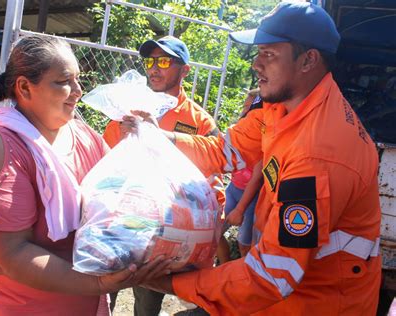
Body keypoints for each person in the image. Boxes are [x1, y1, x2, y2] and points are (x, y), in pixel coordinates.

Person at [125, 2, 381, 315]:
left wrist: (170, 283)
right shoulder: (282, 107)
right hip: (282, 294)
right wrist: (158, 136)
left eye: (269, 54)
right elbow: (224, 150)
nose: (256, 65)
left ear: (308, 60)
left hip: (316, 304)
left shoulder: (318, 154)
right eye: (257, 53)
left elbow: (273, 274)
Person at [0, 35, 172, 315]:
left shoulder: (82, 135)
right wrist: (98, 282)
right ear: (25, 88)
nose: (78, 90)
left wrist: (140, 144)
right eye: (64, 81)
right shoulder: (1, 149)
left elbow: (118, 192)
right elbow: (6, 255)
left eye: (78, 79)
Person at [103, 35, 222, 316]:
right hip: (119, 221)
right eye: (150, 61)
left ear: (185, 70)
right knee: (100, 295)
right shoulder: (128, 109)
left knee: (146, 305)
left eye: (164, 61)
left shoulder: (200, 122)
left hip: (162, 234)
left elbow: (210, 182)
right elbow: (105, 159)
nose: (154, 68)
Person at [216, 90, 263, 263]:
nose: (246, 111)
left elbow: (256, 179)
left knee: (245, 244)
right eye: (245, 107)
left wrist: (240, 209)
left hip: (251, 198)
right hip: (233, 189)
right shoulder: (240, 132)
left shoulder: (261, 138)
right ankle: (223, 268)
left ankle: (245, 278)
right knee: (214, 232)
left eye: (249, 107)